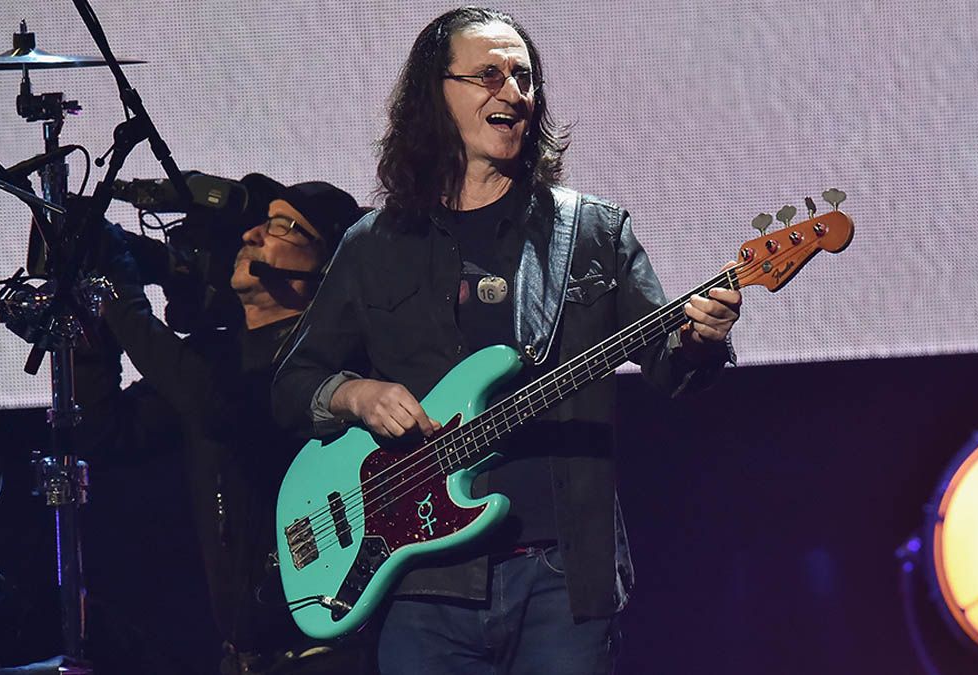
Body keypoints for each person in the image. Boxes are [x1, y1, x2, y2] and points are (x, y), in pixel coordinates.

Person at [272, 7, 742, 674]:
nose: (513, 92)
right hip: (421, 587)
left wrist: (700, 339)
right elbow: (292, 387)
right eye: (488, 75)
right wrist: (355, 393)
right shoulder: (374, 246)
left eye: (523, 77)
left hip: (560, 577)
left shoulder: (592, 233)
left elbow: (672, 370)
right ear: (436, 94)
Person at [74, 174, 370, 674]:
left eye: (283, 227)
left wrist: (117, 293)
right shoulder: (219, 354)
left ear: (328, 266)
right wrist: (87, 327)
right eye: (260, 223)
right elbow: (108, 430)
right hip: (242, 658)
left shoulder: (324, 359)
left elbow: (215, 405)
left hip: (328, 655)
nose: (252, 235)